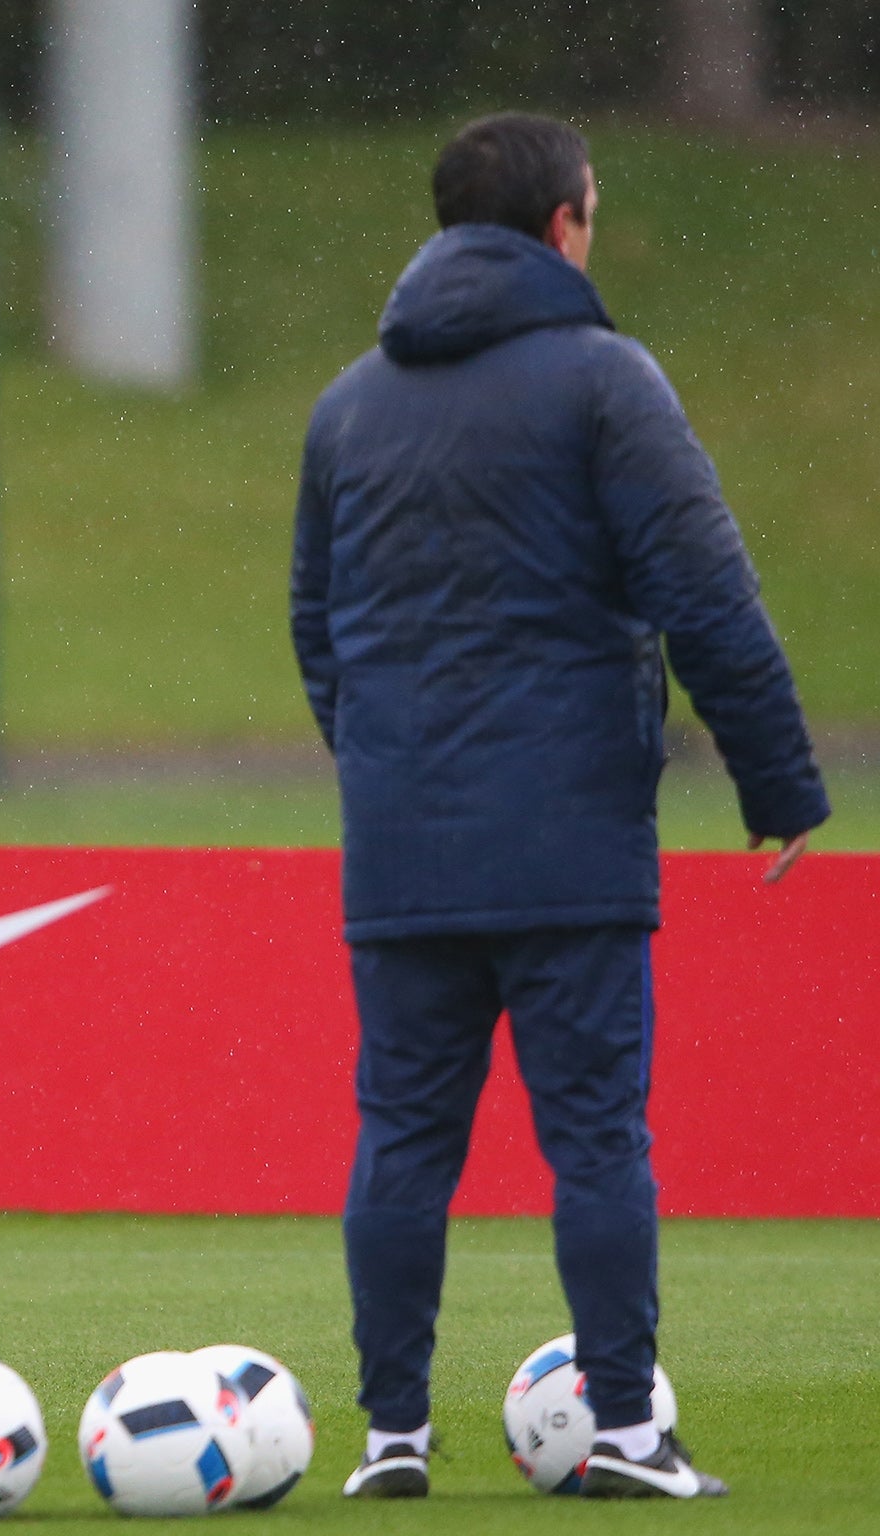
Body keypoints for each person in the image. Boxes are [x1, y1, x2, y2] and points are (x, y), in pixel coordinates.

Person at [290, 112, 829, 1500]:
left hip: (404, 841)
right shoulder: (604, 380)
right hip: (572, 836)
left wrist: (387, 762)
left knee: (403, 1137)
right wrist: (775, 780)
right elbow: (704, 588)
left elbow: (317, 625)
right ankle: (631, 1435)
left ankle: (392, 1436)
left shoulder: (349, 405)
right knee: (594, 1138)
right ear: (565, 225)